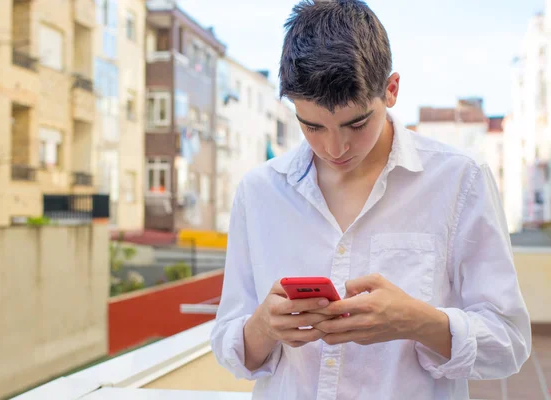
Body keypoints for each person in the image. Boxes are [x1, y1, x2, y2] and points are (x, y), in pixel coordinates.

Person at [210, 1, 531, 399]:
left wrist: (416, 321)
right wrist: (265, 326)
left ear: (391, 90)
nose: (335, 147)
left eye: (356, 123)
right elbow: (228, 343)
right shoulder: (259, 193)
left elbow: (511, 342)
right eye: (311, 126)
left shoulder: (460, 179)